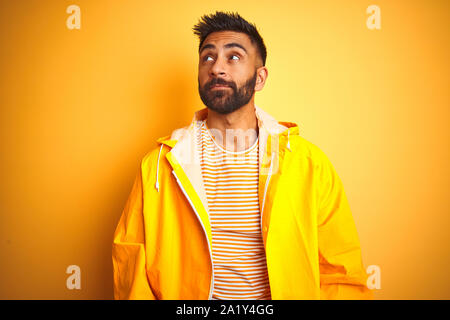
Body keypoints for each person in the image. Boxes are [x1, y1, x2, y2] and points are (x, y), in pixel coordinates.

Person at [112, 11, 373, 300]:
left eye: (233, 57)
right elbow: (131, 262)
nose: (217, 68)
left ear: (259, 78)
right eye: (207, 58)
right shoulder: (159, 167)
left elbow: (341, 272)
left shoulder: (308, 163)